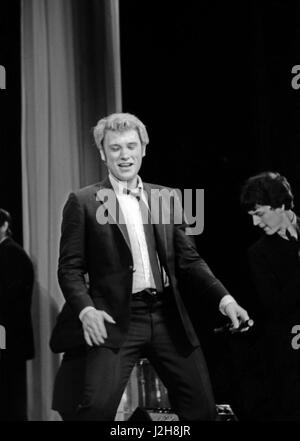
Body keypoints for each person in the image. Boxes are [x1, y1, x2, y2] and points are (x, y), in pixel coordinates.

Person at [50, 112, 250, 421]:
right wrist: (86, 309)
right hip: (114, 319)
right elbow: (69, 269)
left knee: (202, 411)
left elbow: (190, 260)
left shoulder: (167, 198)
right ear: (103, 153)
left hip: (167, 316)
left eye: (131, 146)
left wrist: (225, 300)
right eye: (115, 147)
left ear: (144, 148)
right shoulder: (83, 201)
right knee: (95, 411)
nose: (124, 154)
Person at [240, 171, 300, 420]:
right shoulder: (259, 254)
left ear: (282, 205)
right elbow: (275, 305)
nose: (255, 223)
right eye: (251, 216)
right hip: (291, 350)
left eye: (260, 213)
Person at [0, 209, 35, 421]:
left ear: (5, 225)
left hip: (8, 338)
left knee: (10, 396)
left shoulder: (11, 253)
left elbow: (9, 300)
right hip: (6, 338)